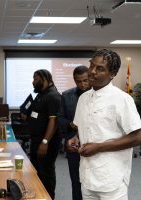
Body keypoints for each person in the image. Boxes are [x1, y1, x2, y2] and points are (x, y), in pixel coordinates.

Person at [68, 49, 141, 200]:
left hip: (111, 179)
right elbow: (83, 127)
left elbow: (138, 137)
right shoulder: (83, 98)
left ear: (112, 74)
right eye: (91, 66)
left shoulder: (122, 99)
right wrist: (76, 138)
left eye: (100, 68)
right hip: (87, 176)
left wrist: (99, 147)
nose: (92, 72)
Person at [21, 69, 62, 199]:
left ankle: (49, 197)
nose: (33, 82)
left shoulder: (53, 96)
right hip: (36, 140)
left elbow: (54, 121)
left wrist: (45, 142)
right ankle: (39, 196)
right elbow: (34, 113)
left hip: (46, 143)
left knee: (46, 173)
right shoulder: (41, 95)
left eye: (35, 79)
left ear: (44, 79)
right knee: (37, 172)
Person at [58, 65, 90, 200]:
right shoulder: (66, 96)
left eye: (85, 80)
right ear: (74, 80)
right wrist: (70, 124)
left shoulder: (98, 95)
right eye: (79, 81)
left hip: (94, 145)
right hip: (73, 145)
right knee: (76, 181)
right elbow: (59, 118)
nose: (83, 84)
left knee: (92, 183)